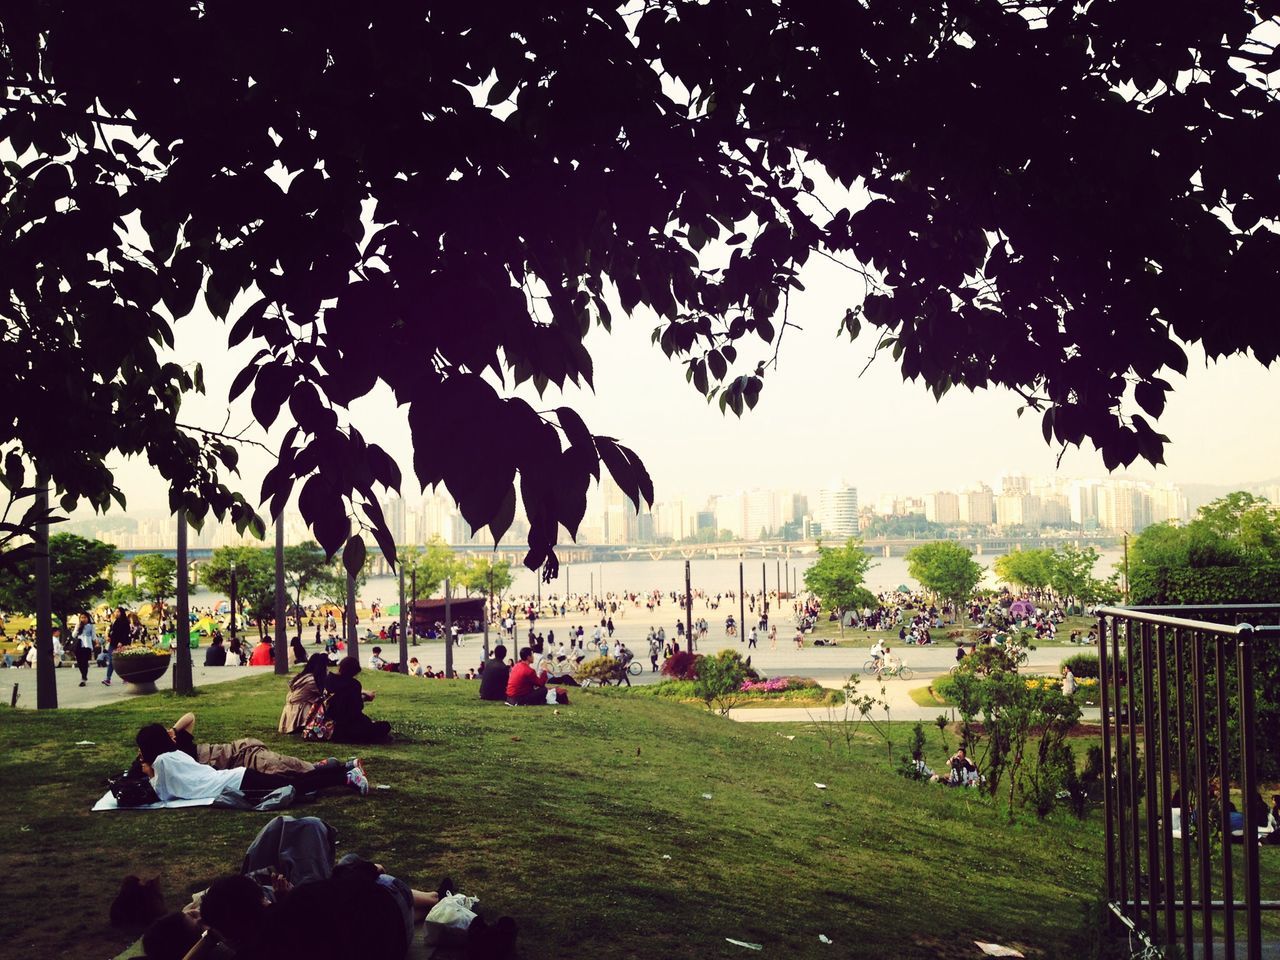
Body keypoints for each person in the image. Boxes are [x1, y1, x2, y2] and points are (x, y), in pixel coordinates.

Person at [134, 723, 366, 800]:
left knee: (294, 785)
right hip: (234, 778)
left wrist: (147, 772)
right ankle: (345, 773)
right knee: (293, 780)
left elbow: (162, 794)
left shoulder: (163, 763)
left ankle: (344, 777)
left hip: (235, 782)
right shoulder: (174, 756)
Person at [326, 658, 392, 743]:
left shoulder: (329, 679)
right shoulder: (354, 684)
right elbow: (356, 708)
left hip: (331, 724)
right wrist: (365, 698)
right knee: (385, 726)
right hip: (349, 725)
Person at [280, 654, 330, 734]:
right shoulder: (312, 681)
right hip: (300, 711)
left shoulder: (303, 676)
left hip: (291, 711)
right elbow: (326, 694)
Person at [104, 605, 130, 685]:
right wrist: (109, 637)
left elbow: (125, 633)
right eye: (115, 611)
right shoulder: (115, 621)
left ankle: (125, 678)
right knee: (111, 661)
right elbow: (113, 632)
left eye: (118, 611)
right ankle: (108, 679)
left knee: (122, 662)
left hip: (121, 644)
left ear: (122, 613)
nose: (116, 613)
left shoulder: (125, 622)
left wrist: (121, 642)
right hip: (113, 643)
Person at [73, 612, 96, 686]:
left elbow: (93, 636)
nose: (83, 619)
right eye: (82, 617)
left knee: (84, 662)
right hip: (78, 645)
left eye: (85, 617)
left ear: (88, 618)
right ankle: (83, 676)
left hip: (87, 646)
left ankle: (83, 678)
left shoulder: (91, 626)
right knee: (79, 662)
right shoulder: (78, 625)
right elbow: (73, 635)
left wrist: (96, 642)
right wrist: (77, 628)